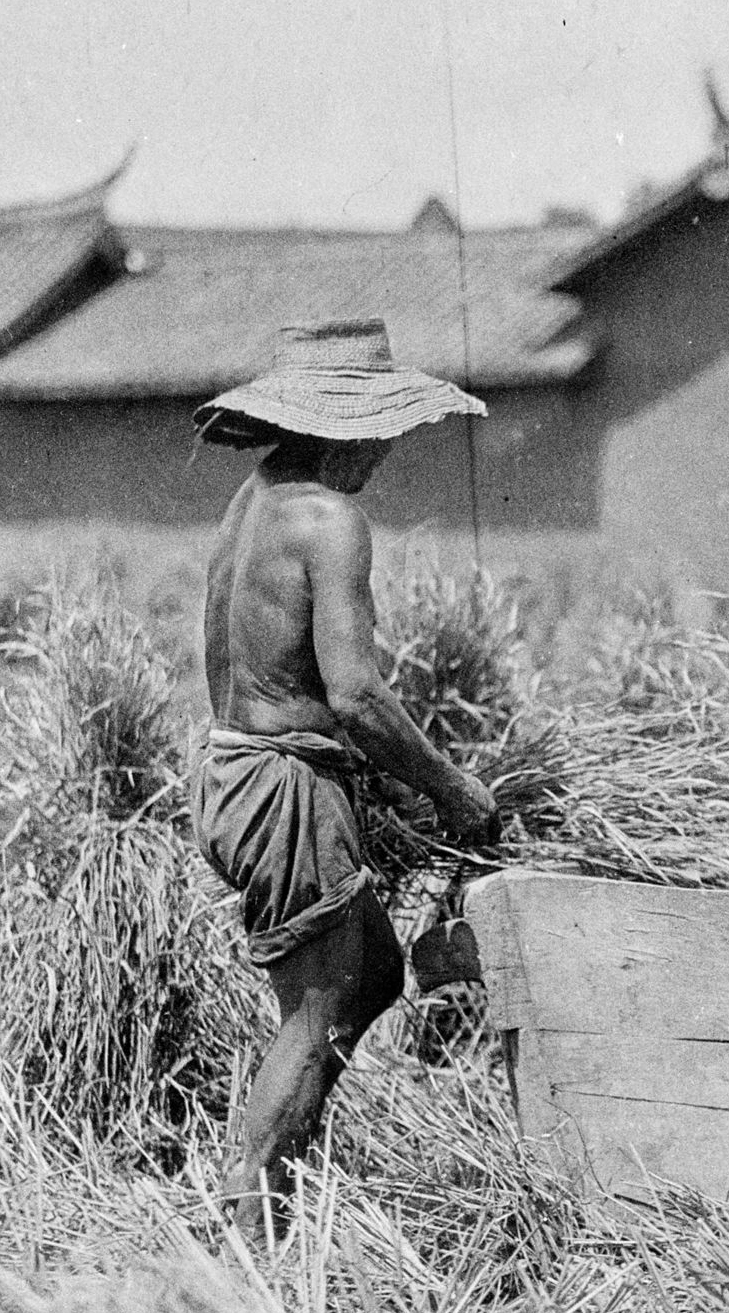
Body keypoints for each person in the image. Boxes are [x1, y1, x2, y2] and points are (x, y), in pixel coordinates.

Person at [193, 320, 502, 1241]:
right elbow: (357, 692)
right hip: (283, 792)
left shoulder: (251, 505)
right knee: (320, 1004)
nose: (389, 452)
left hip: (228, 773)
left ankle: (285, 1175)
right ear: (349, 427)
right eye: (385, 432)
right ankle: (246, 1221)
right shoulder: (331, 521)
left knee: (371, 971)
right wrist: (451, 787)